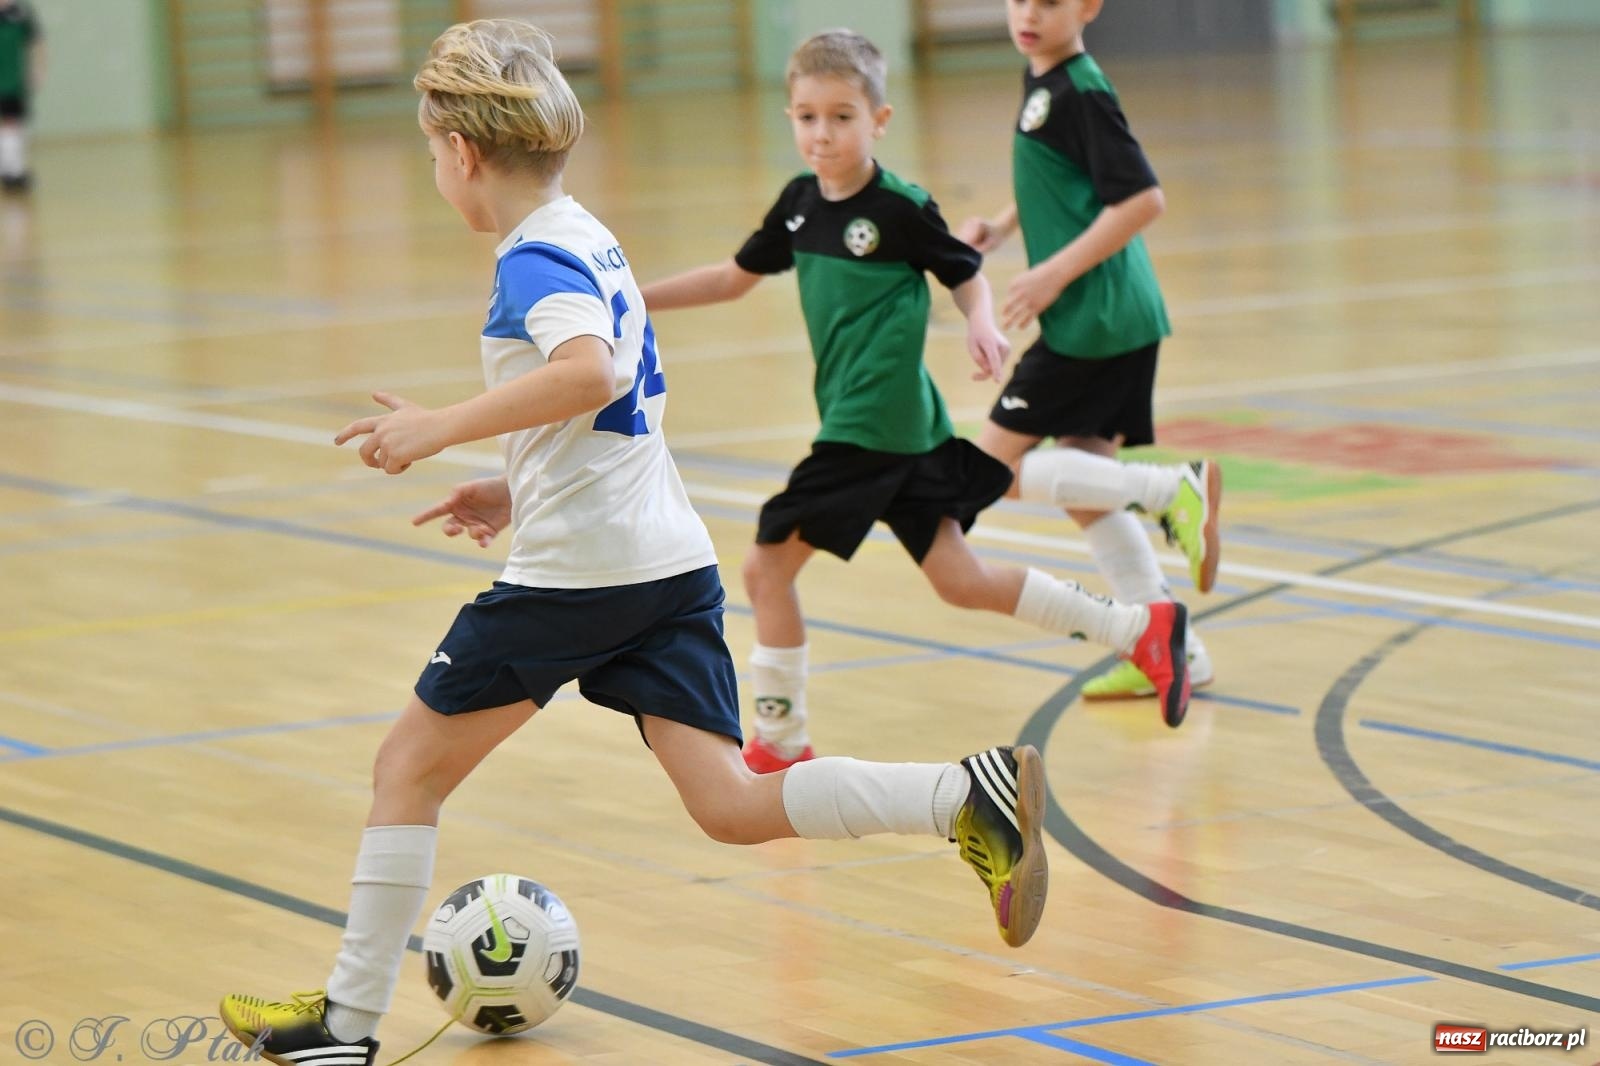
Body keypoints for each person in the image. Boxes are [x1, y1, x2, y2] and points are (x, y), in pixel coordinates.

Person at [216, 21, 1051, 1066]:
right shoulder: (587, 232)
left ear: (464, 155)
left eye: (433, 152)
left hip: (581, 578)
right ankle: (961, 793)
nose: (436, 169)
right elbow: (606, 406)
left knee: (404, 771)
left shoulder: (530, 257)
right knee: (731, 804)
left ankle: (341, 1029)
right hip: (663, 560)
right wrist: (514, 479)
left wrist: (438, 428)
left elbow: (592, 375)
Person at [641, 29, 1190, 775]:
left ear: (879, 119)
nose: (823, 133)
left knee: (766, 570)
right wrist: (630, 301)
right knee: (959, 580)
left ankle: (782, 738)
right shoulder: (800, 205)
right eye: (807, 116)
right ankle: (1139, 630)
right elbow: (732, 277)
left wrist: (983, 324)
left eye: (841, 116)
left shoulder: (899, 206)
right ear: (790, 117)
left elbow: (965, 272)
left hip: (870, 428)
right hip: (906, 431)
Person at [959, 0, 1222, 705]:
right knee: (1084, 494)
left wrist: (1050, 275)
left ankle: (1172, 490)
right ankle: (1176, 650)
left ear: (1088, 8)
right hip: (1109, 319)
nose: (1028, 13)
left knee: (984, 473)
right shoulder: (1046, 79)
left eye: (1049, 2)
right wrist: (1003, 227)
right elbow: (1066, 178)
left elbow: (1141, 200)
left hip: (1094, 320)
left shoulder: (1082, 90)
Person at [0, 0, 43, 192]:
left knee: (13, 125)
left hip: (11, 81)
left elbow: (37, 42)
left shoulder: (21, 12)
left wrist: (38, 70)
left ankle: (13, 172)